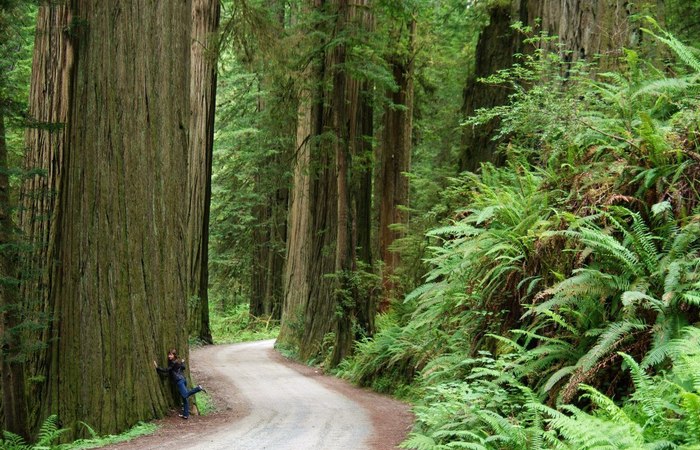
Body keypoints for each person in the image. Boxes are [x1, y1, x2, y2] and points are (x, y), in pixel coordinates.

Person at [154, 348, 206, 419]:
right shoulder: (177, 362)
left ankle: (198, 388)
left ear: (174, 355)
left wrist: (157, 367)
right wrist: (183, 362)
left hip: (179, 381)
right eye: (169, 355)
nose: (169, 356)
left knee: (185, 395)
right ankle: (185, 414)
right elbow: (183, 367)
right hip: (183, 380)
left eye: (171, 355)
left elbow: (166, 370)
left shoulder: (173, 363)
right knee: (185, 399)